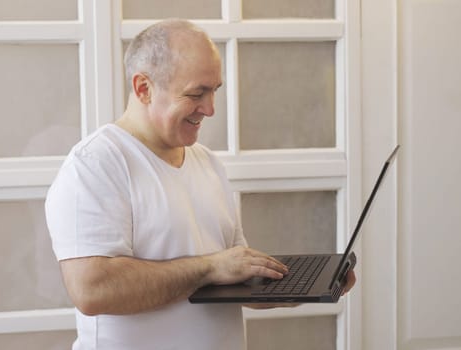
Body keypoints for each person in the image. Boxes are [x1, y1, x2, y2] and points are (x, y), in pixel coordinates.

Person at [45, 19, 355, 350]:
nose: (209, 109)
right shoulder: (95, 165)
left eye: (214, 91)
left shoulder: (207, 163)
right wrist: (209, 268)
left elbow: (232, 279)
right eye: (196, 93)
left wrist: (306, 286)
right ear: (143, 88)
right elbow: (93, 291)